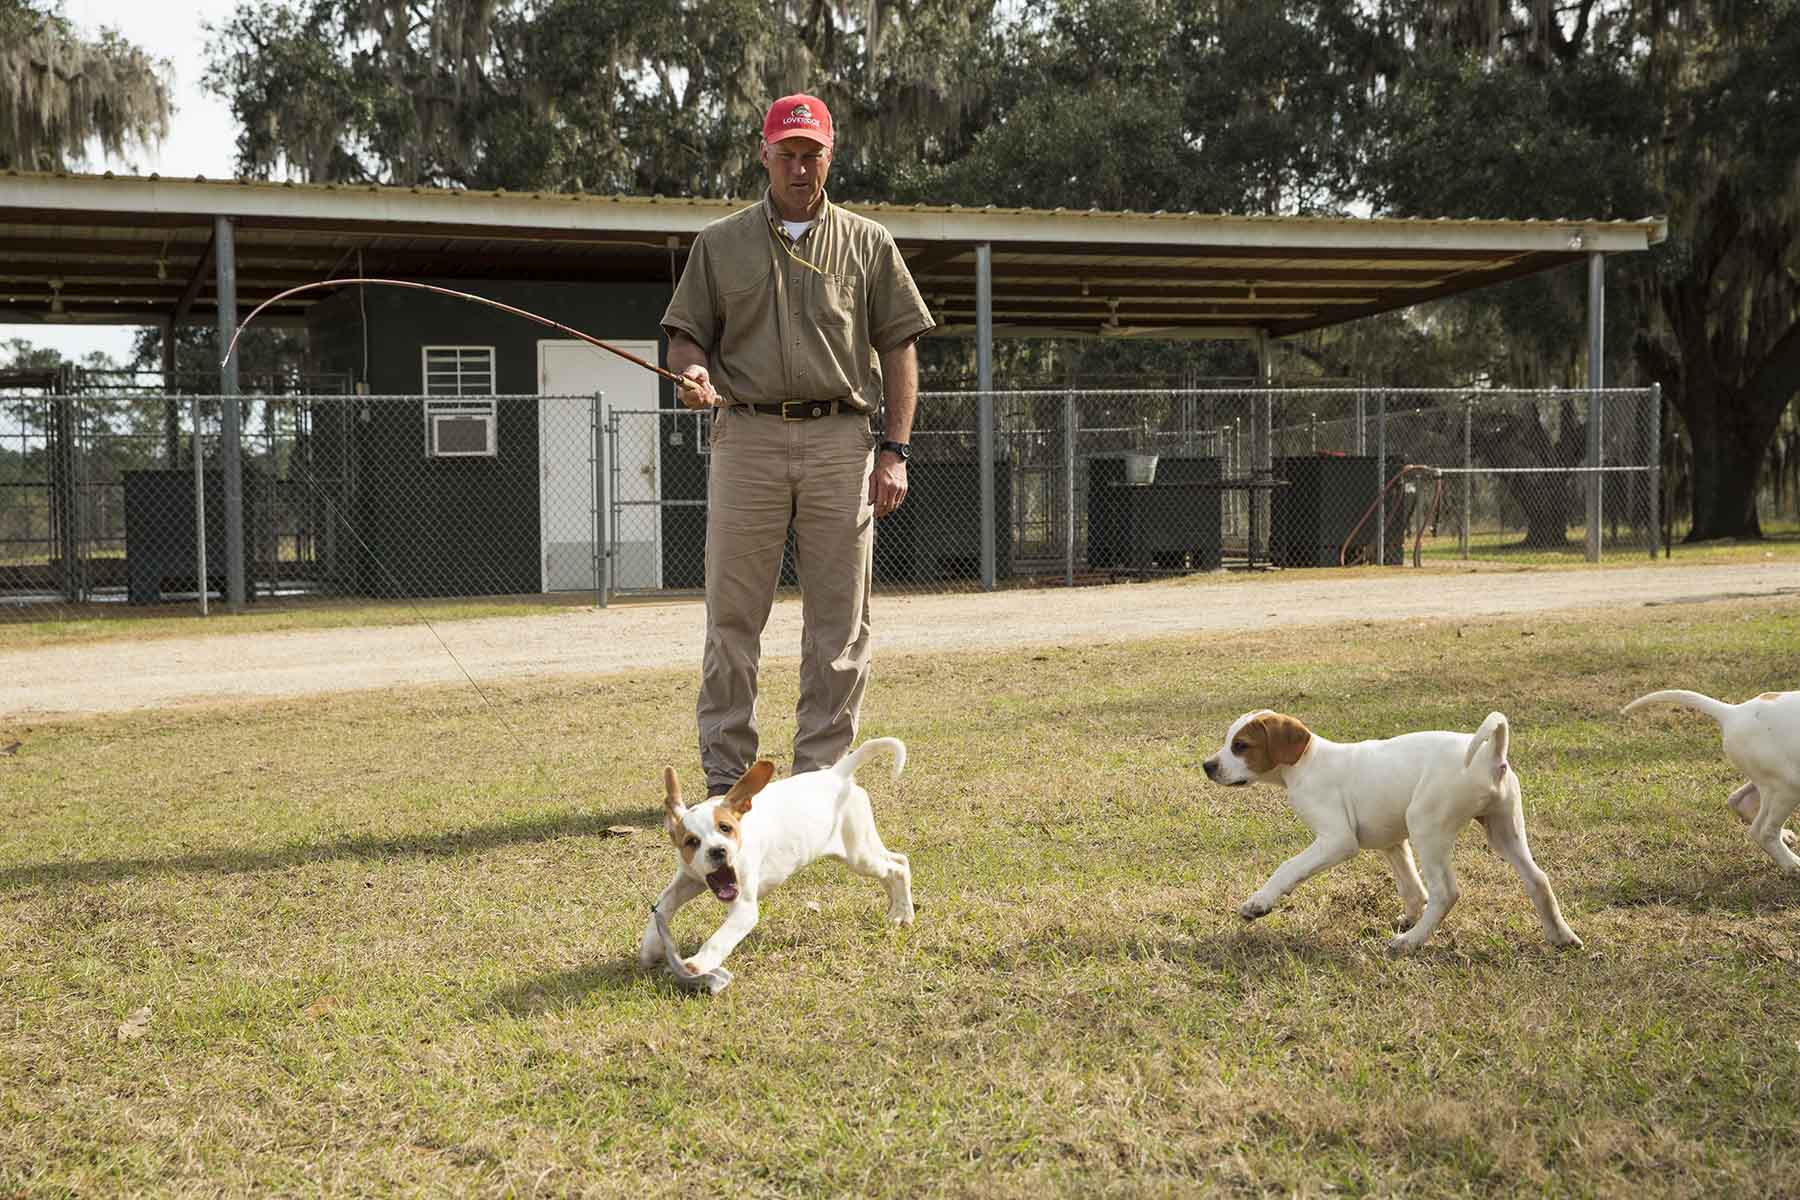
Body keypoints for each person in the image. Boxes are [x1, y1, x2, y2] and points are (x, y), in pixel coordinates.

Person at [661, 92, 936, 797]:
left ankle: (819, 780)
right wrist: (691, 372)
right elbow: (686, 332)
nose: (799, 166)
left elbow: (899, 345)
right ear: (764, 154)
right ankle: (727, 778)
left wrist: (895, 450)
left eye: (812, 153)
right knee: (732, 616)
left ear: (829, 155)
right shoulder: (719, 244)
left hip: (840, 441)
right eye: (786, 152)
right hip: (745, 437)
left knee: (839, 621)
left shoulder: (868, 242)